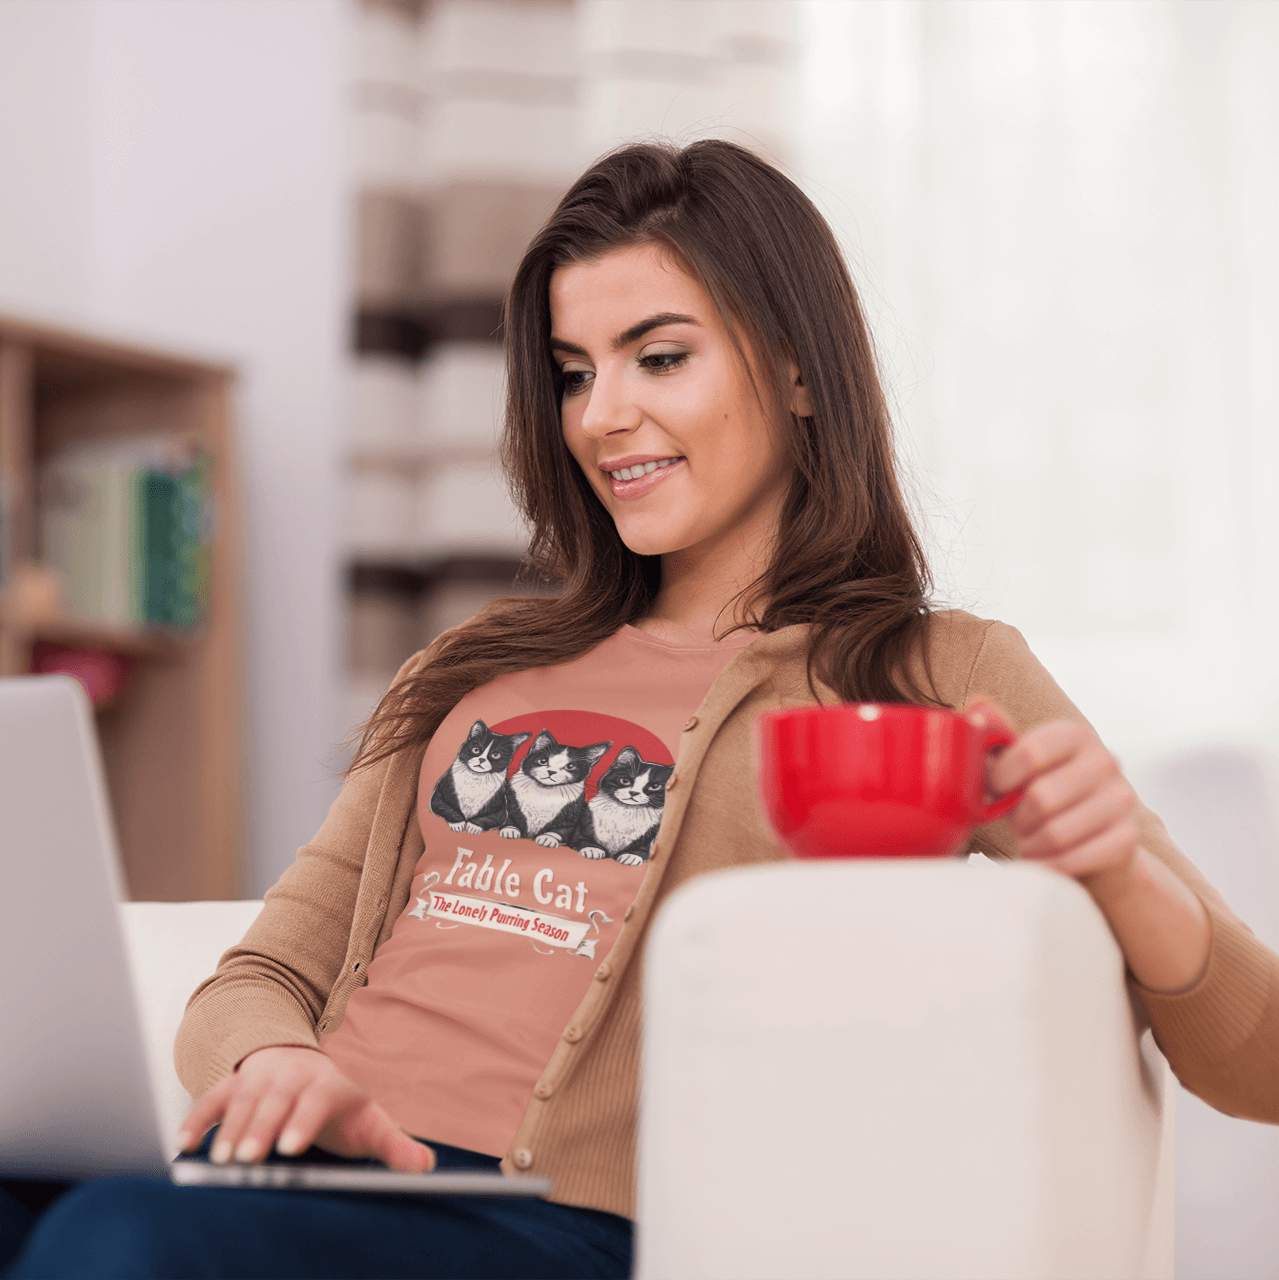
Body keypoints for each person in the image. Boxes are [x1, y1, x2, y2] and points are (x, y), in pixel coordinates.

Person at [5, 139, 1277, 1279]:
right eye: (571, 372)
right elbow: (266, 968)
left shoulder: (936, 670)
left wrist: (1115, 869)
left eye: (658, 356)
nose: (602, 416)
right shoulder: (467, 665)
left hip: (547, 1224)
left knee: (118, 1240)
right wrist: (271, 1064)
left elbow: (1256, 1060)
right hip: (303, 1189)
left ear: (793, 370)